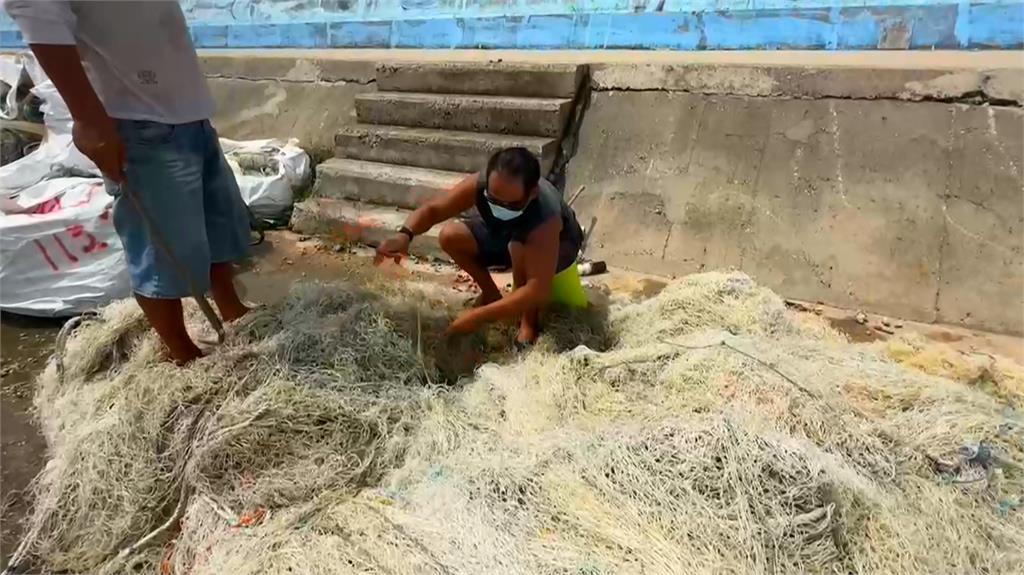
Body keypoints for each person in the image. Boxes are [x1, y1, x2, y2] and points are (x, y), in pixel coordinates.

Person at [4, 0, 252, 364]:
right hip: (139, 119)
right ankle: (181, 352)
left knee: (219, 228)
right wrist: (88, 119)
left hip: (190, 115)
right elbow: (35, 11)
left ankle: (232, 313)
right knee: (161, 250)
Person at [377, 147, 584, 344]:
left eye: (510, 204)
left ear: (531, 194)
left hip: (557, 246)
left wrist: (478, 317)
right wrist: (405, 235)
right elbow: (434, 210)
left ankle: (529, 322)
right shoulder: (482, 183)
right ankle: (491, 295)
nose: (499, 207)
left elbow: (537, 288)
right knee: (450, 236)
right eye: (493, 200)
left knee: (518, 249)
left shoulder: (545, 217)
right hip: (505, 233)